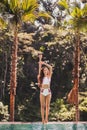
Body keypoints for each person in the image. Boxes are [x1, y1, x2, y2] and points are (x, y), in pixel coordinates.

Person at [37, 54, 52, 124]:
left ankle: (46, 119)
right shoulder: (41, 77)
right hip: (42, 91)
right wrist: (40, 60)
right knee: (42, 106)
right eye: (44, 70)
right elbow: (39, 68)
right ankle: (42, 119)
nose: (45, 71)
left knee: (47, 106)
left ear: (48, 71)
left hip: (48, 91)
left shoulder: (49, 76)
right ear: (43, 71)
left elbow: (51, 67)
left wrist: (44, 63)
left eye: (46, 70)